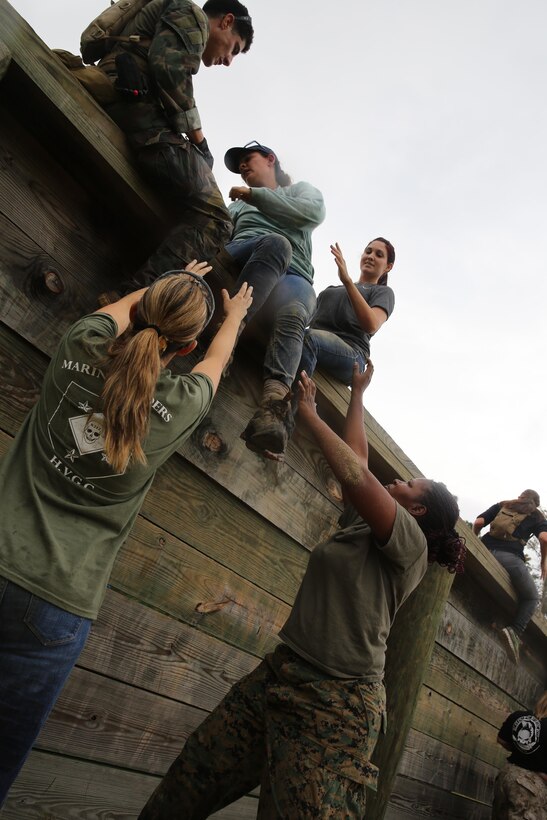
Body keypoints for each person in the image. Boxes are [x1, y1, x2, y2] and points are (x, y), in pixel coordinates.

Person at [137, 361, 466, 819]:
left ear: (417, 508)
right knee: (193, 775)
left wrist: (310, 416)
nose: (395, 481)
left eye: (407, 484)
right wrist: (356, 395)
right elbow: (360, 460)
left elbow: (357, 474)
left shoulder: (410, 546)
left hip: (335, 706)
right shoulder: (361, 527)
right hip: (282, 672)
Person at [0, 264, 253, 804]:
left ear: (139, 312)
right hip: (57, 605)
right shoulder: (180, 405)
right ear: (183, 348)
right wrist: (235, 316)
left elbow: (120, 315)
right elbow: (218, 359)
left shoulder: (81, 343)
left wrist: (175, 278)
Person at [93, 0, 254, 287]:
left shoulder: (177, 21)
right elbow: (169, 70)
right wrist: (199, 140)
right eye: (235, 48)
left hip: (134, 105)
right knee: (218, 219)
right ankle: (132, 299)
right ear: (227, 21)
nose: (229, 60)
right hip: (133, 106)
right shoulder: (191, 14)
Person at [220, 140, 325, 459]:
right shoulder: (237, 207)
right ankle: (225, 338)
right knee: (276, 244)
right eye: (238, 165)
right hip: (245, 258)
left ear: (270, 159)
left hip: (292, 277)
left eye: (246, 159)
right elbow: (217, 229)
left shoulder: (299, 192)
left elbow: (311, 213)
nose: (242, 167)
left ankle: (273, 410)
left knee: (296, 310)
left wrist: (254, 195)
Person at [298, 239, 395, 386]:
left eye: (379, 254)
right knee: (291, 331)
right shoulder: (332, 290)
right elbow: (307, 318)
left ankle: (283, 405)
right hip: (315, 340)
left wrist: (347, 281)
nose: (370, 256)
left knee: (308, 338)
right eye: (368, 251)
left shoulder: (383, 292)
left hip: (353, 355)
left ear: (388, 266)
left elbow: (372, 324)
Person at [473, 490, 547, 664]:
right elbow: (544, 539)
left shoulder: (504, 505)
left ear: (521, 496)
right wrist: (544, 561)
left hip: (485, 550)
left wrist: (474, 540)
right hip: (509, 558)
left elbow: (478, 522)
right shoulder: (536, 515)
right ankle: (514, 632)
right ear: (536, 503)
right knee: (531, 597)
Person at [492, 692, 547, 819]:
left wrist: (523, 751)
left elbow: (501, 740)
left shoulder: (518, 716)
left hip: (507, 775)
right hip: (530, 786)